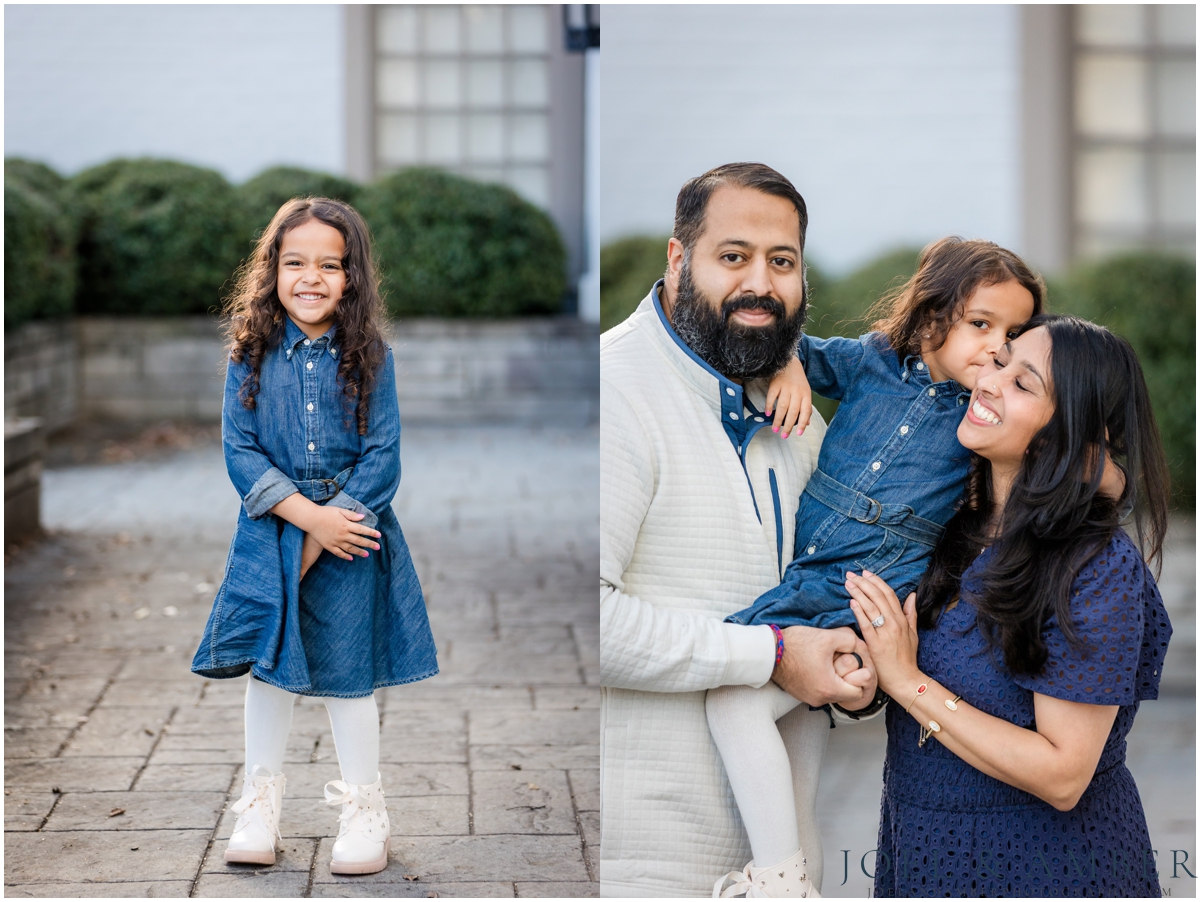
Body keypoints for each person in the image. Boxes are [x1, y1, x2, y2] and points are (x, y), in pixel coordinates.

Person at [708, 237, 1058, 897]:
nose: (996, 347)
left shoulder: (981, 418)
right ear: (931, 317)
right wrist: (787, 366)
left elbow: (1081, 459)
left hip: (867, 607)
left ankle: (778, 878)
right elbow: (776, 346)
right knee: (797, 752)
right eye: (981, 324)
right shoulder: (871, 362)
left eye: (1014, 333)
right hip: (806, 584)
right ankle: (794, 878)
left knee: (732, 696)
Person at [600, 162, 878, 898]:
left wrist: (853, 666)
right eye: (733, 256)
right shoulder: (613, 394)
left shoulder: (795, 415)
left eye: (781, 261)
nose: (761, 282)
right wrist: (774, 653)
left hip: (785, 870)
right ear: (677, 258)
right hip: (643, 862)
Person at [846, 314, 1171, 896]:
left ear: (1065, 432)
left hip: (1049, 867)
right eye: (999, 363)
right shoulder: (948, 527)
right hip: (924, 853)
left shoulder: (1095, 563)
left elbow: (1064, 774)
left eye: (1024, 384)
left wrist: (906, 680)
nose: (991, 381)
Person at [190, 197, 438, 876]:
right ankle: (260, 801)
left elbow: (383, 453)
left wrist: (339, 521)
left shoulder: (370, 355)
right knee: (270, 667)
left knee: (345, 673)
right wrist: (306, 519)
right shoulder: (250, 350)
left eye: (330, 265)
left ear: (351, 277)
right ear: (272, 269)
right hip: (273, 530)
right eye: (295, 262)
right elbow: (239, 448)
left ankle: (364, 809)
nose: (311, 277)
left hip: (355, 536)